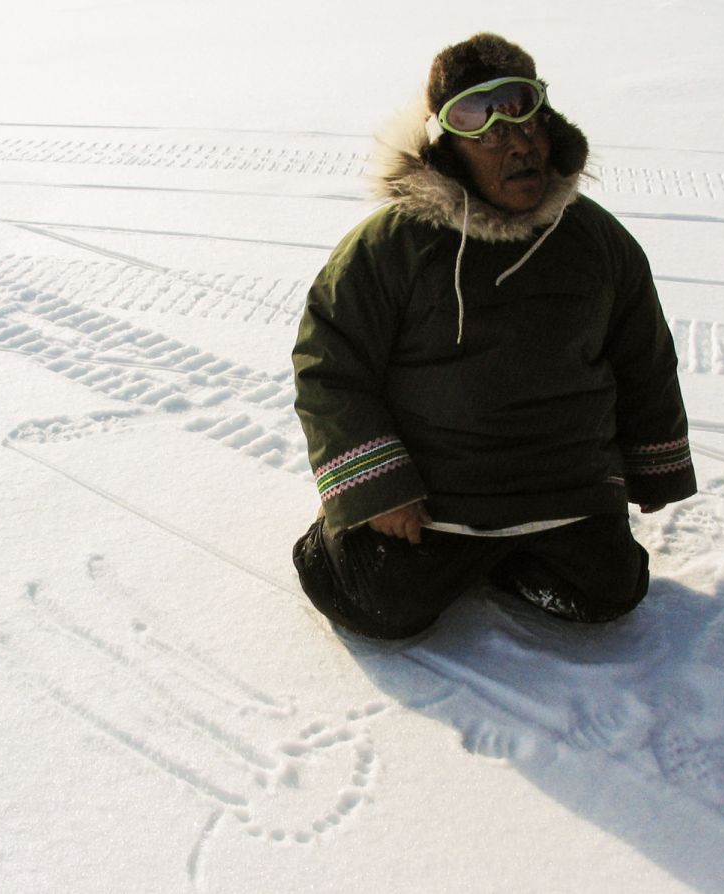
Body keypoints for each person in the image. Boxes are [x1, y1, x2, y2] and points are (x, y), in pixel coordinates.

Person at [291, 32, 697, 640]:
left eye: (525, 119)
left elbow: (645, 361)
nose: (518, 144)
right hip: (436, 494)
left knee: (611, 593)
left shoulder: (596, 242)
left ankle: (510, 556)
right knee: (380, 607)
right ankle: (333, 537)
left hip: (562, 484)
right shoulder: (390, 246)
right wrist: (377, 491)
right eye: (485, 126)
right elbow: (330, 365)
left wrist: (654, 468)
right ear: (447, 144)